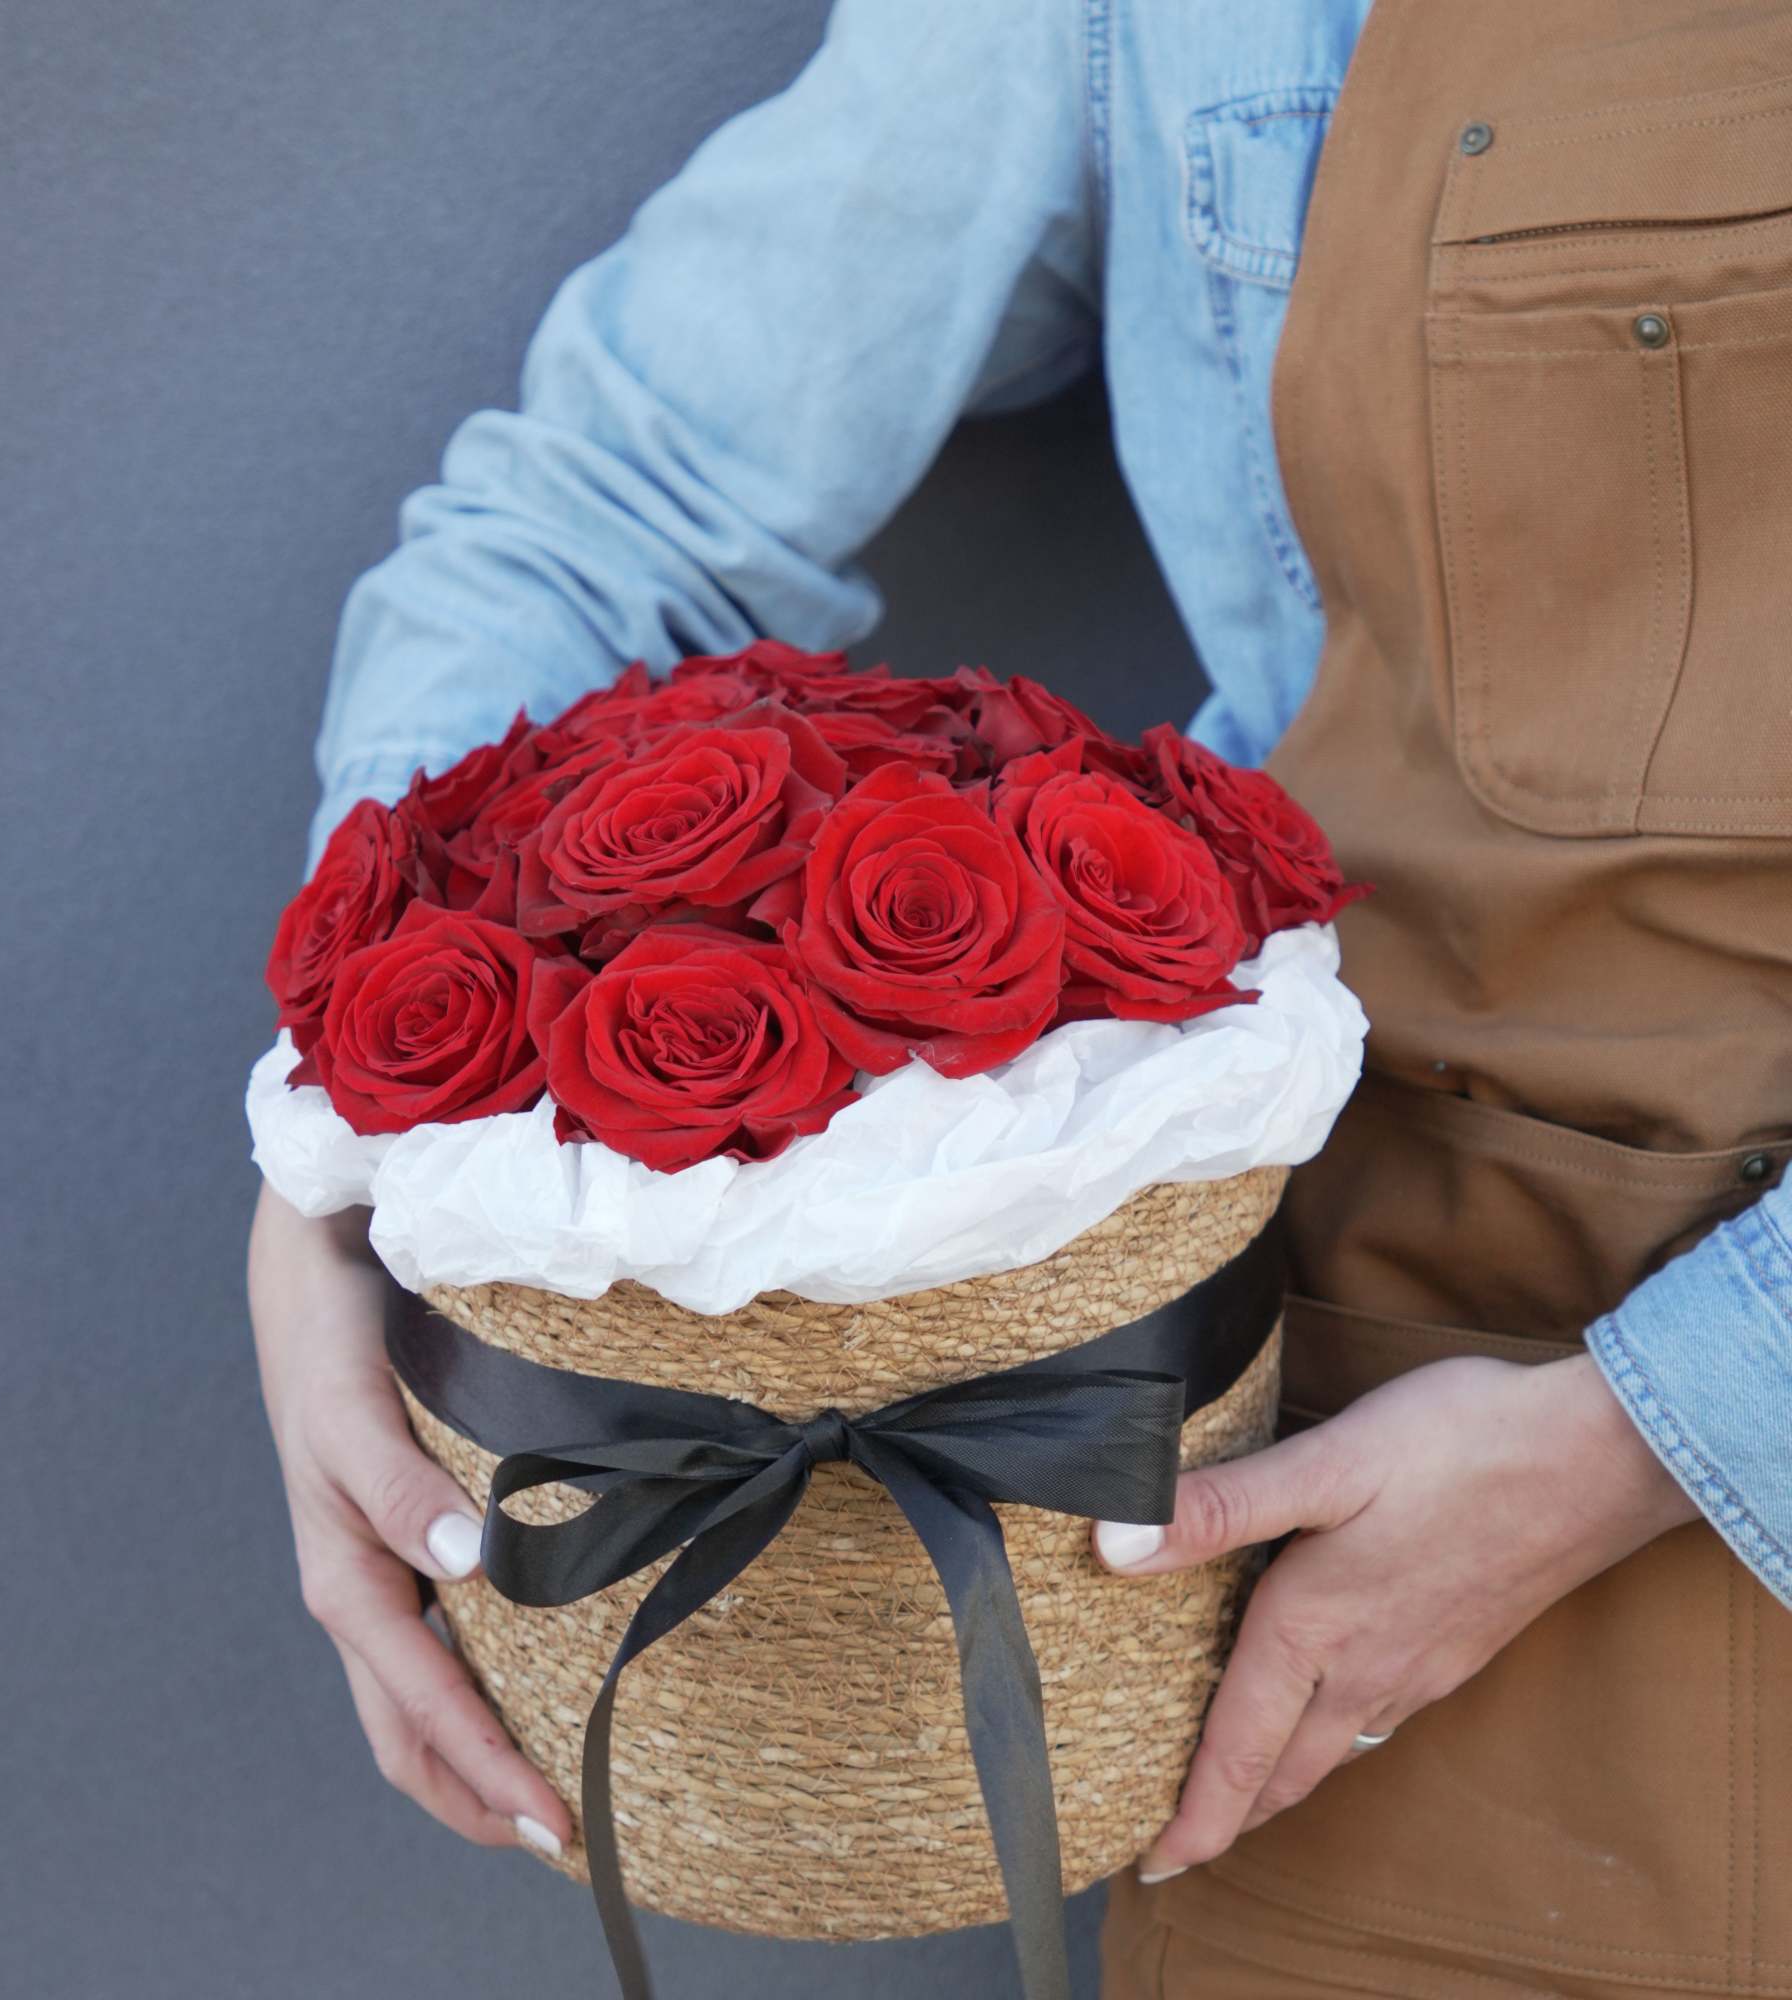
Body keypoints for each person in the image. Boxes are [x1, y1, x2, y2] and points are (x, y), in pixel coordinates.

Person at [247, 2, 1792, 1993]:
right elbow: (602, 504)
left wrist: (1659, 1425)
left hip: (1521, 1472)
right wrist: (348, 1122)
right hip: (1369, 1484)